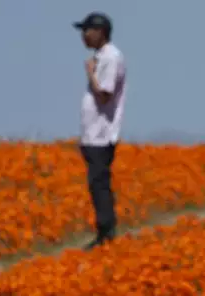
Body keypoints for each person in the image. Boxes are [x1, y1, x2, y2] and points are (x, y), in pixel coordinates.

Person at [74, 12, 127, 249]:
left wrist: (90, 74)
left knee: (99, 182)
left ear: (101, 32)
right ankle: (104, 233)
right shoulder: (101, 57)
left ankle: (106, 234)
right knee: (96, 183)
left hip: (101, 135)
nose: (83, 36)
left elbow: (104, 94)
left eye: (87, 30)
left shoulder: (111, 58)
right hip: (92, 133)